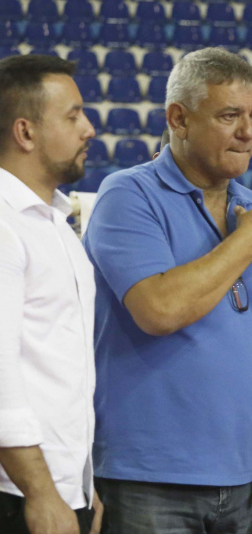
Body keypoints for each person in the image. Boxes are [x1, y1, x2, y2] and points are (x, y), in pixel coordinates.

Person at [82, 48, 252, 534]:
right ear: (178, 119)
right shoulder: (128, 195)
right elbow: (158, 310)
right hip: (146, 479)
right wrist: (247, 241)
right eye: (229, 116)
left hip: (245, 476)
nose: (248, 133)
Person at [0, 54, 101, 534]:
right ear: (25, 133)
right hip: (17, 493)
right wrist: (42, 493)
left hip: (61, 487)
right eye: (73, 115)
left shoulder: (54, 224)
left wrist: (83, 483)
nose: (89, 129)